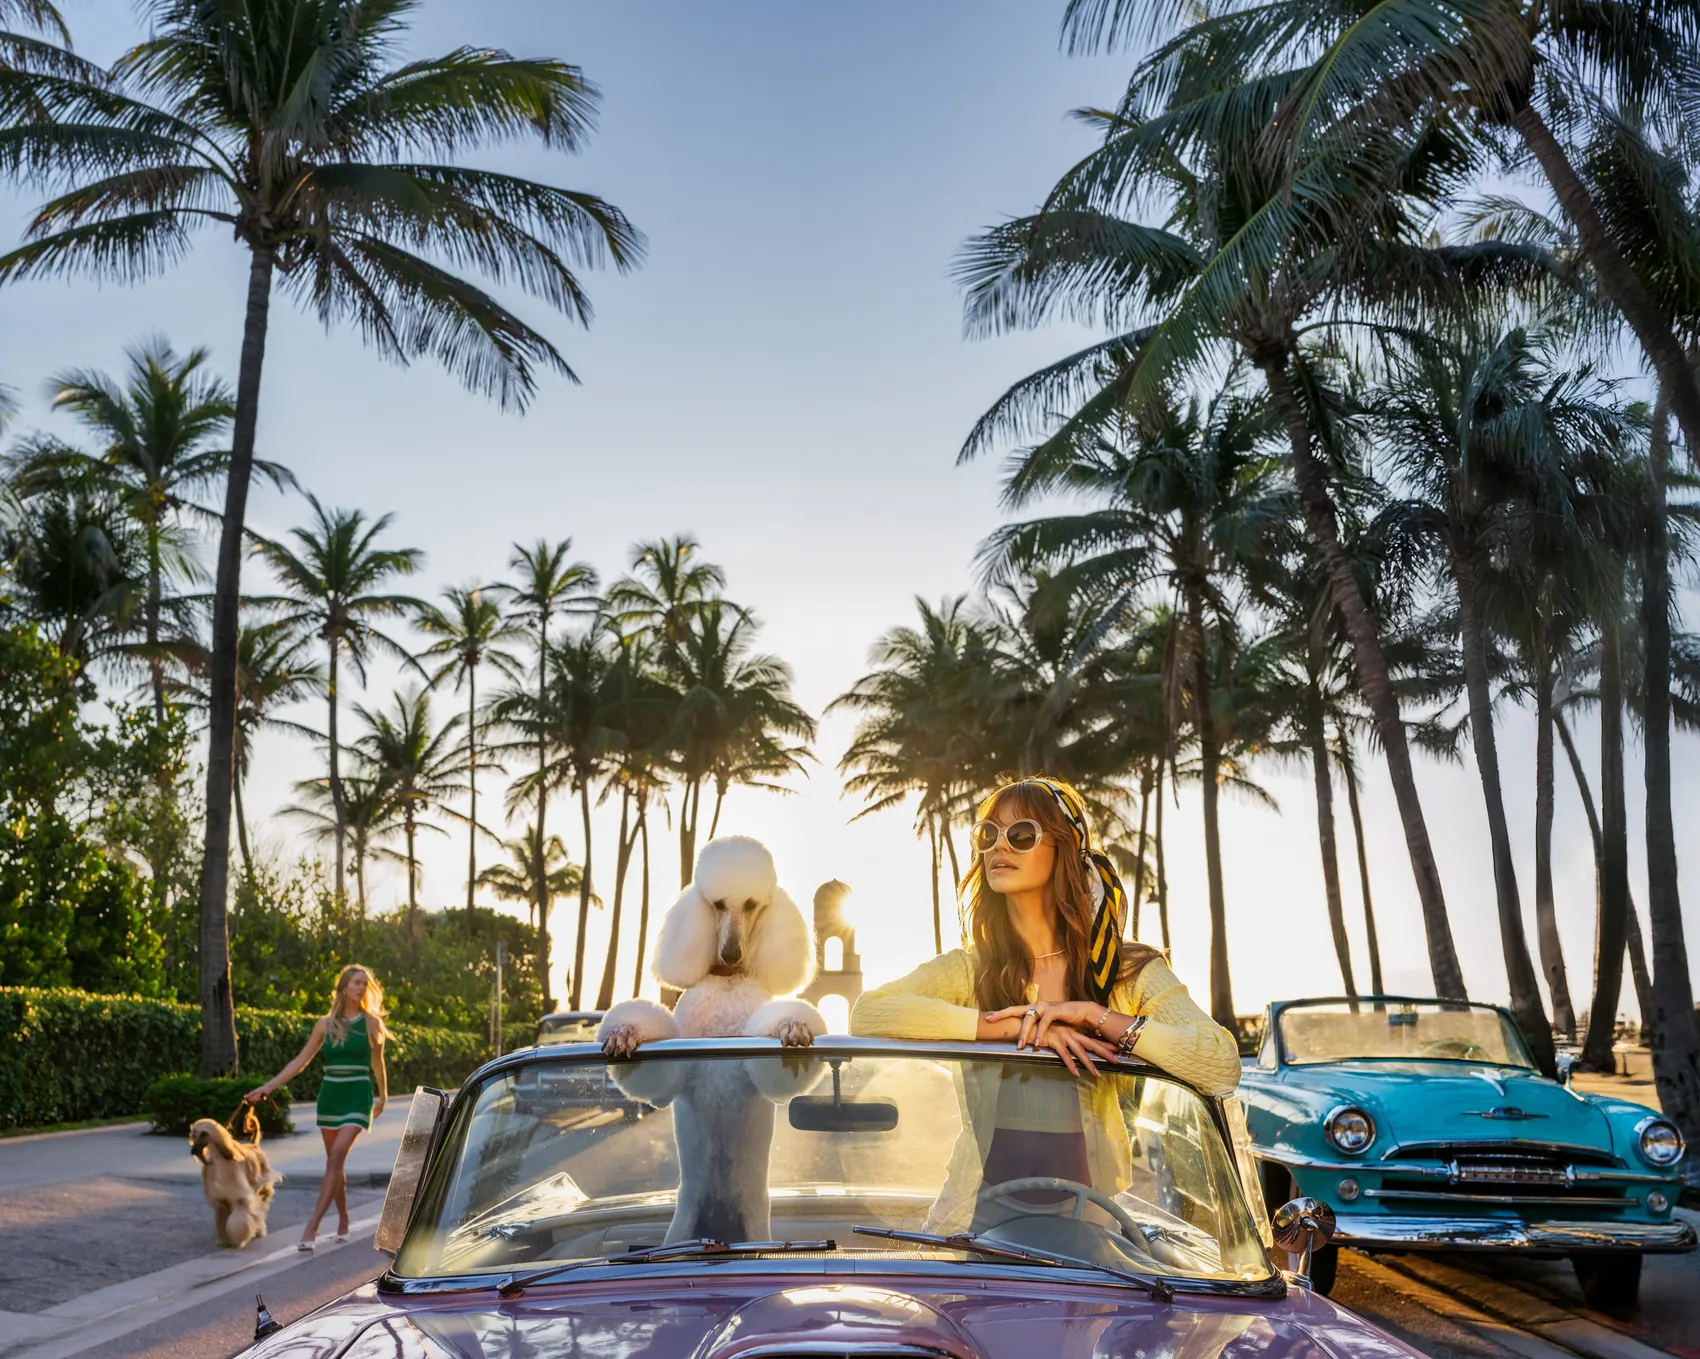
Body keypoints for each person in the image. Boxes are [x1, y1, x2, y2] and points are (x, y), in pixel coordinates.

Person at [850, 776, 1239, 1233]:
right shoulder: (970, 970)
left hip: (1093, 1213)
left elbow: (1220, 1063)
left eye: (1021, 835)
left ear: (1064, 850)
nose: (999, 847)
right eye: (987, 835)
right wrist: (1015, 1027)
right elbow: (868, 1012)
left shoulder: (1124, 971)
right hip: (975, 1211)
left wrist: (1097, 1016)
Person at [245, 964, 390, 1251]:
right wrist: (267, 1088)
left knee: (336, 1158)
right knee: (334, 1164)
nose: (361, 988)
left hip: (358, 1096)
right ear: (344, 987)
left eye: (365, 983)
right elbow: (299, 1062)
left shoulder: (372, 1023)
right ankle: (344, 1219)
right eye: (356, 982)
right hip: (330, 1097)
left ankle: (312, 1226)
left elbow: (377, 1063)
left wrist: (383, 1096)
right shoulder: (325, 1024)